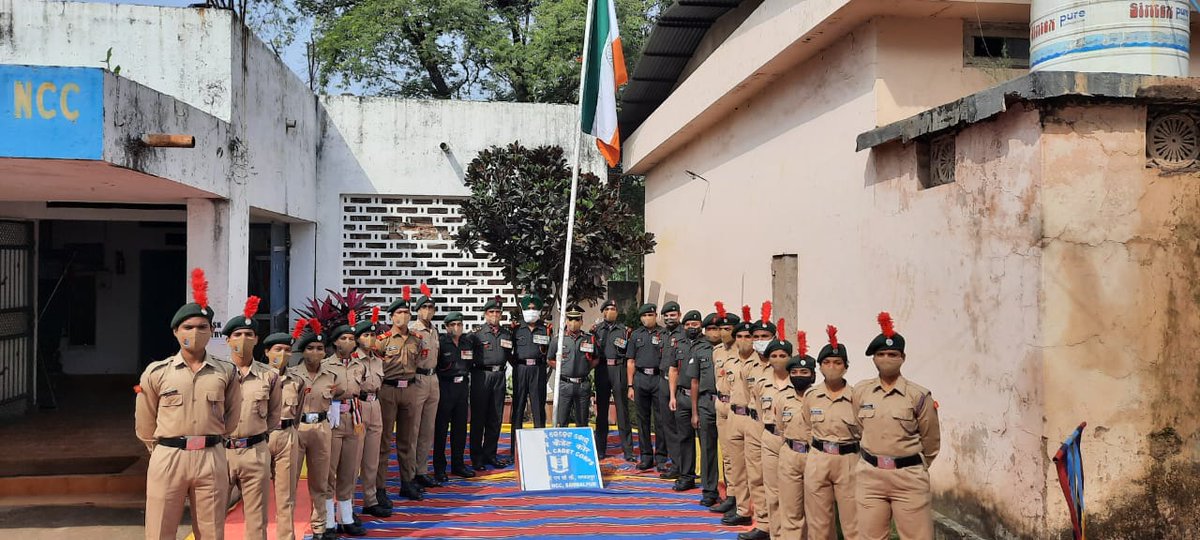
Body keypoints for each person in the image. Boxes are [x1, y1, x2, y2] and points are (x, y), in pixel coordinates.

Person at [135, 268, 240, 540]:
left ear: (212, 331)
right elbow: (145, 421)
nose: (195, 332)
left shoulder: (225, 372)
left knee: (211, 530)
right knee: (160, 528)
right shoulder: (157, 372)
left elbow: (232, 415)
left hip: (211, 455)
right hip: (169, 455)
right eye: (188, 327)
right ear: (175, 331)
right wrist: (160, 450)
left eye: (202, 327)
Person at [853, 312, 941, 540]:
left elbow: (931, 441)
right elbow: (859, 426)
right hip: (870, 476)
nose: (886, 358)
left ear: (903, 357)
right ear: (873, 359)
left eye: (892, 354)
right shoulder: (861, 392)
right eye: (881, 354)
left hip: (908, 477)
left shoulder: (918, 395)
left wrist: (913, 465)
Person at [223, 296, 281, 540]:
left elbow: (274, 415)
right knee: (211, 515)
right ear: (228, 340)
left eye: (249, 334)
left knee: (257, 520)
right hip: (221, 452)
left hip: (255, 450)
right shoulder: (217, 374)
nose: (243, 340)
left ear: (257, 339)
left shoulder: (269, 376)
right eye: (237, 335)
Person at [804, 325, 860, 540]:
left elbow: (864, 430)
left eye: (837, 363)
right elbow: (808, 426)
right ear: (820, 367)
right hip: (819, 458)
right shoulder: (812, 396)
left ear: (845, 367)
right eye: (827, 363)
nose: (832, 367)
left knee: (853, 521)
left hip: (849, 460)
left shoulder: (857, 396)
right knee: (819, 523)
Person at [290, 319, 341, 540]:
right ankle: (287, 529)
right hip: (297, 427)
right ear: (302, 351)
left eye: (320, 349)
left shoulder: (331, 376)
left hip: (321, 427)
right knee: (289, 481)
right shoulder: (291, 374)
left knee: (320, 480)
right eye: (310, 348)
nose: (316, 352)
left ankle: (320, 527)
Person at [375, 286, 425, 501]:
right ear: (392, 316)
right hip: (389, 390)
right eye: (398, 313)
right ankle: (380, 488)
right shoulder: (383, 340)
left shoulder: (416, 339)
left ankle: (407, 482)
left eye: (406, 313)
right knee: (384, 441)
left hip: (410, 389)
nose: (402, 317)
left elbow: (419, 361)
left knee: (408, 440)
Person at [263, 322, 307, 540]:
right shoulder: (256, 378)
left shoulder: (296, 381)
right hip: (261, 438)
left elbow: (297, 413)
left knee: (286, 494)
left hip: (287, 435)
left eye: (287, 350)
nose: (282, 354)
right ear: (267, 352)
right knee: (256, 496)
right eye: (277, 349)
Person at [774, 329, 819, 539]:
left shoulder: (820, 398)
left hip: (815, 457)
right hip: (790, 454)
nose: (799, 377)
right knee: (791, 509)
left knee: (816, 511)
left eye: (804, 373)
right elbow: (781, 427)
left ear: (813, 375)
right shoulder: (782, 398)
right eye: (794, 373)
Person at [324, 318, 366, 536]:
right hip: (333, 419)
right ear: (335, 343)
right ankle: (328, 520)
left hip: (355, 418)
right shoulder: (325, 365)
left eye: (351, 338)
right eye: (343, 338)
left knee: (349, 469)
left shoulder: (360, 365)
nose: (348, 342)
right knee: (330, 470)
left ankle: (346, 517)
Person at [752, 320, 793, 540]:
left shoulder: (799, 383)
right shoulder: (761, 382)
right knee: (773, 491)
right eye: (774, 356)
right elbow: (759, 412)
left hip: (793, 444)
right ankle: (776, 534)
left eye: (783, 356)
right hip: (770, 438)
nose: (778, 360)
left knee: (794, 493)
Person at [355, 308, 391, 518]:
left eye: (372, 335)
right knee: (352, 459)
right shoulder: (352, 360)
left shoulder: (378, 360)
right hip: (357, 406)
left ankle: (370, 500)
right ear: (358, 339)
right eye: (365, 335)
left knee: (372, 457)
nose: (370, 339)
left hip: (375, 405)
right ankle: (347, 505)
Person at [471, 296, 515, 470]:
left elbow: (511, 355)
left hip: (499, 376)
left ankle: (490, 454)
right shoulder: (476, 334)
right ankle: (476, 457)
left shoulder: (506, 334)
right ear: (485, 314)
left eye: (498, 312)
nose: (495, 315)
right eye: (491, 312)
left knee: (495, 418)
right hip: (482, 376)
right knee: (478, 418)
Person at [720, 317, 756, 527]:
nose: (744, 340)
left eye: (748, 336)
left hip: (752, 418)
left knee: (754, 468)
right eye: (740, 336)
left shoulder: (762, 363)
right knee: (736, 466)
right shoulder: (730, 361)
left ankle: (759, 514)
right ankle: (741, 509)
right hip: (733, 415)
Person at [434, 311, 476, 482]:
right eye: (453, 325)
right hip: (446, 386)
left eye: (459, 324)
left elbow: (471, 363)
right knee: (441, 430)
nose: (456, 328)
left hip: (462, 387)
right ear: (446, 327)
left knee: (460, 429)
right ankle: (439, 468)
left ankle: (458, 465)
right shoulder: (441, 343)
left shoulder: (467, 342)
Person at [708, 303, 741, 514]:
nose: (723, 333)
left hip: (738, 408)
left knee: (740, 457)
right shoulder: (717, 351)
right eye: (721, 329)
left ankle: (741, 498)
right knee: (727, 455)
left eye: (728, 329)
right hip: (721, 404)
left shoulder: (745, 353)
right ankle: (731, 495)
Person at [409, 284, 442, 489]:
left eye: (431, 308)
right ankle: (410, 473)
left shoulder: (434, 330)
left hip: (433, 379)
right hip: (418, 379)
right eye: (424, 308)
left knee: (428, 429)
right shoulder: (414, 330)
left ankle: (422, 470)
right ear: (418, 310)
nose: (428, 311)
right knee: (413, 429)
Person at [592, 299, 633, 461]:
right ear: (603, 312)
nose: (611, 311)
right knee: (601, 411)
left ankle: (628, 451)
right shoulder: (596, 330)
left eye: (613, 309)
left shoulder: (624, 330)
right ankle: (600, 449)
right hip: (602, 369)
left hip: (618, 369)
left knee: (622, 411)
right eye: (608, 309)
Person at [668, 310, 704, 492]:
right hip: (682, 397)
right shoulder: (678, 345)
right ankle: (687, 476)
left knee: (705, 440)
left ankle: (707, 478)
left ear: (701, 326)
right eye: (688, 325)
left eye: (695, 325)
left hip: (703, 399)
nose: (692, 328)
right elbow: (673, 370)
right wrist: (673, 396)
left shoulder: (707, 346)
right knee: (684, 438)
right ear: (684, 326)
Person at [626, 303, 664, 471]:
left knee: (661, 419)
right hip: (641, 378)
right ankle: (646, 456)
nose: (648, 318)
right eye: (644, 316)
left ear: (656, 316)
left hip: (658, 378)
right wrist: (630, 385)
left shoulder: (664, 333)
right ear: (641, 318)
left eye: (651, 315)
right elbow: (630, 361)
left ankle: (662, 457)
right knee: (643, 420)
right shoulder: (635, 335)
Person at [691, 311, 723, 506]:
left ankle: (733, 493)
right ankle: (709, 490)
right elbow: (694, 382)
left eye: (716, 328)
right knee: (707, 448)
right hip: (705, 403)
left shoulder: (732, 351)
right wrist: (695, 412)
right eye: (709, 329)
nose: (713, 332)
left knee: (729, 451)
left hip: (727, 404)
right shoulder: (699, 350)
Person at [550, 304, 597, 427]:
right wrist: (562, 369)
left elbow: (596, 359)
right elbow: (550, 359)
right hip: (565, 384)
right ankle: (562, 444)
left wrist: (585, 368)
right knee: (562, 420)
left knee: (582, 421)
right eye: (570, 319)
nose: (573, 322)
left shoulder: (589, 339)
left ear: (582, 321)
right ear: (566, 320)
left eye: (576, 319)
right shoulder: (558, 340)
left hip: (582, 385)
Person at [512, 294, 550, 440]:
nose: (531, 311)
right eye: (528, 308)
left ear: (539, 311)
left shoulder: (545, 329)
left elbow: (549, 351)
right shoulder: (516, 329)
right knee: (518, 407)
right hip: (520, 369)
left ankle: (541, 444)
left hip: (538, 370)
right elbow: (509, 352)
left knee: (538, 407)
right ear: (523, 309)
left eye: (534, 308)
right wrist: (517, 365)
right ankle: (515, 449)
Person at [657, 301, 685, 477]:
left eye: (672, 315)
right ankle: (676, 465)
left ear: (679, 315)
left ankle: (685, 466)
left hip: (680, 383)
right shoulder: (662, 334)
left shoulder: (684, 334)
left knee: (681, 426)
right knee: (667, 425)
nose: (669, 318)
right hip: (663, 382)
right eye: (666, 315)